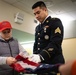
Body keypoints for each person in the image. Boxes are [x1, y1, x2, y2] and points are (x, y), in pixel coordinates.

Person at [29, 1, 65, 75]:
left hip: (53, 63)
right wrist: (34, 56)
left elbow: (55, 43)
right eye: (35, 14)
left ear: (45, 10)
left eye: (38, 12)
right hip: (41, 65)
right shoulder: (38, 27)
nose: (36, 16)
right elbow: (36, 44)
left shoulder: (55, 22)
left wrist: (41, 56)